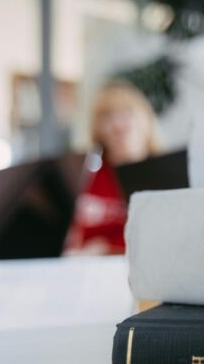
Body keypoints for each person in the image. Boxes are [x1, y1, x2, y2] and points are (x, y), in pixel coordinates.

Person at [64, 82, 159, 255]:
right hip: (87, 270)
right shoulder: (85, 175)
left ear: (145, 120)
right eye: (107, 116)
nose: (118, 124)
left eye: (127, 113)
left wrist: (108, 249)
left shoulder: (165, 174)